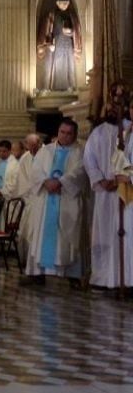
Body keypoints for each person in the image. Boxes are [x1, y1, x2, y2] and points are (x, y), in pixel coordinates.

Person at [23, 119, 87, 285]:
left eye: (69, 133)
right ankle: (37, 273)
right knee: (41, 235)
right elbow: (35, 171)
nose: (65, 136)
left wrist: (61, 182)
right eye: (62, 132)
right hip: (45, 200)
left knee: (69, 236)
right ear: (58, 132)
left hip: (67, 199)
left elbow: (80, 172)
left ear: (75, 135)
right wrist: (46, 182)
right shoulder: (46, 151)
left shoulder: (80, 152)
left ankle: (72, 275)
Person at [84, 93, 132, 289]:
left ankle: (125, 279)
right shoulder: (98, 132)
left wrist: (124, 178)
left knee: (125, 236)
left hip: (127, 193)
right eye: (110, 106)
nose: (113, 109)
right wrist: (101, 180)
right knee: (104, 235)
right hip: (105, 192)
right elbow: (89, 158)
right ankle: (103, 278)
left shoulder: (129, 130)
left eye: (117, 106)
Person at [37, 0, 82, 91]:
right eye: (62, 2)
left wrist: (71, 31)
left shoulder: (72, 16)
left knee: (69, 66)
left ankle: (70, 87)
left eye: (66, 2)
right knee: (55, 67)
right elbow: (45, 31)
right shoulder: (51, 15)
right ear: (57, 3)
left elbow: (76, 30)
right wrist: (49, 44)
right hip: (55, 44)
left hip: (68, 44)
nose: (65, 5)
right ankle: (51, 88)